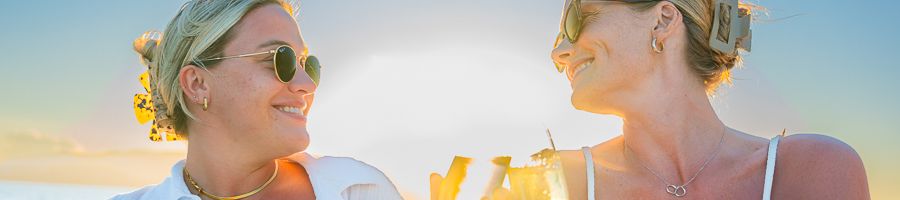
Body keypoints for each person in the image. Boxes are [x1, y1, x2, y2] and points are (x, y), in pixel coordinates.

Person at [549, 0, 870, 199]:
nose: (559, 52)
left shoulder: (813, 168)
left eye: (575, 20)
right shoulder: (555, 183)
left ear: (662, 20)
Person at [113, 1, 402, 199]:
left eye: (307, 64)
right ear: (197, 84)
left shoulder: (358, 189)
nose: (307, 84)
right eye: (280, 59)